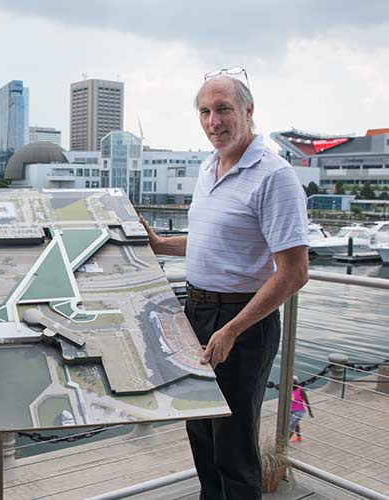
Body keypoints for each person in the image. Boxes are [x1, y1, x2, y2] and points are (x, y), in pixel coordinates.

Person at [139, 73, 310, 499]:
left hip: (242, 321)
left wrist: (233, 328)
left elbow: (294, 271)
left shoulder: (275, 177)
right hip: (196, 312)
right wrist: (161, 244)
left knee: (233, 444)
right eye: (205, 111)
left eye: (224, 109)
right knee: (200, 430)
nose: (214, 121)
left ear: (248, 111)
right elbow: (213, 239)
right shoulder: (207, 167)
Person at [289, 376, 313, 442]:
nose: (293, 384)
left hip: (299, 411)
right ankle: (299, 437)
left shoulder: (300, 390)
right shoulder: (289, 389)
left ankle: (284, 442)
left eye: (295, 382)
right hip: (291, 410)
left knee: (292, 426)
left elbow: (306, 401)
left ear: (297, 383)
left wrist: (310, 411)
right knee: (295, 423)